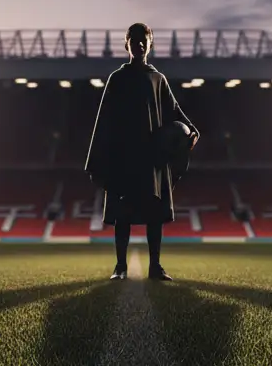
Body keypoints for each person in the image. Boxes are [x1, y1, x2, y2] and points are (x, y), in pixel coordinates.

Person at [85, 23, 199, 281]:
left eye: (143, 40)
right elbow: (104, 120)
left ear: (150, 44)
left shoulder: (158, 79)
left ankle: (155, 266)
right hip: (124, 156)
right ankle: (120, 266)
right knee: (122, 214)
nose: (138, 44)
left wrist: (191, 128)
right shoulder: (117, 78)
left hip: (152, 156)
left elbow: (174, 110)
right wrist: (99, 159)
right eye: (133, 40)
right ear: (126, 44)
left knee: (154, 213)